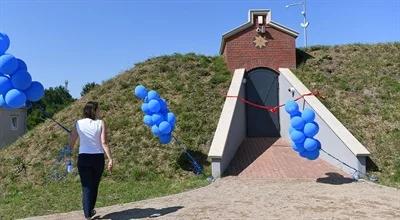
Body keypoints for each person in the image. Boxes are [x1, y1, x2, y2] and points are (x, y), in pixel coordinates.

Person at [68, 101, 113, 219]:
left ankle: (88, 212)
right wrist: (110, 158)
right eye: (98, 109)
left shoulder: (78, 123)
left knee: (86, 186)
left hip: (83, 158)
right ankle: (89, 211)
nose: (100, 111)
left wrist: (69, 152)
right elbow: (104, 142)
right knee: (94, 185)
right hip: (97, 158)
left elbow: (72, 138)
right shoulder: (101, 123)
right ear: (94, 110)